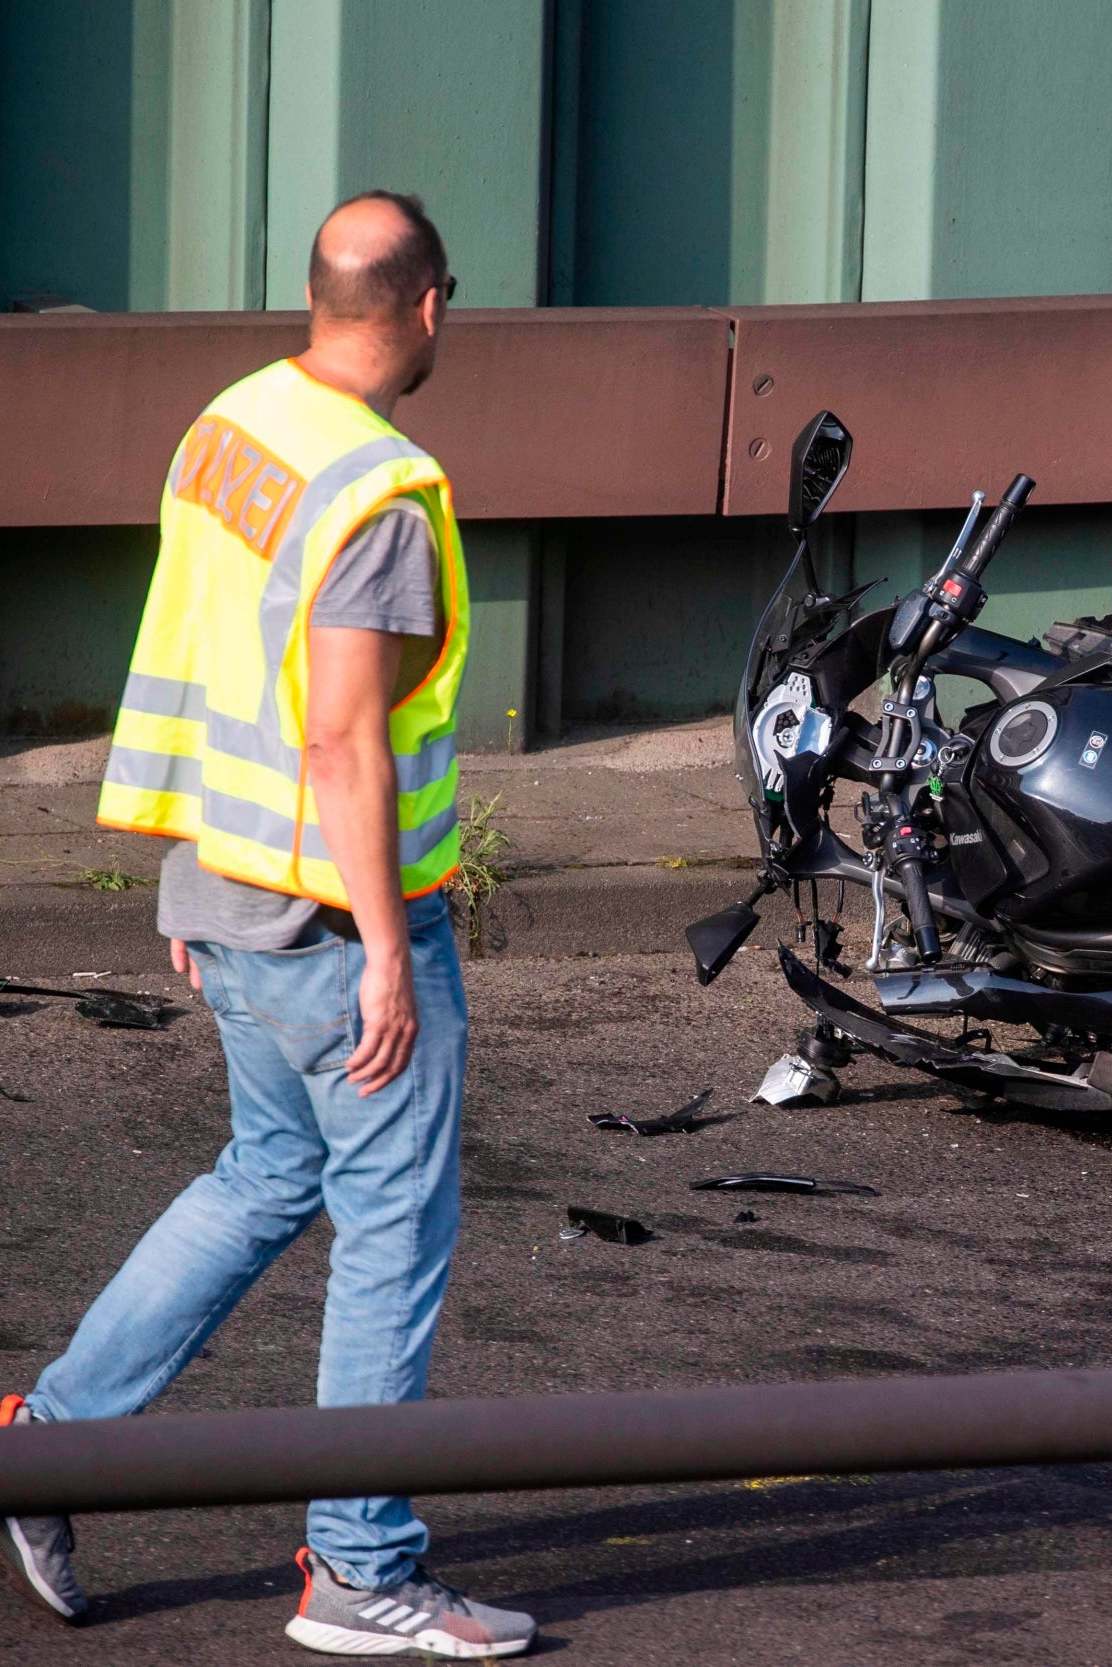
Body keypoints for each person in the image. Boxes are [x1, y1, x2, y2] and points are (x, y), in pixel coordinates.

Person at [1, 191, 535, 1659]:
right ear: (432, 306)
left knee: (265, 1173)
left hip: (229, 891)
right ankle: (360, 1568)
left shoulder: (234, 422)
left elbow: (194, 640)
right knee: (391, 1231)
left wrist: (193, 871)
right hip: (324, 917)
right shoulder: (376, 490)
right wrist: (384, 955)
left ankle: (41, 1445)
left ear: (320, 296)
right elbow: (344, 743)